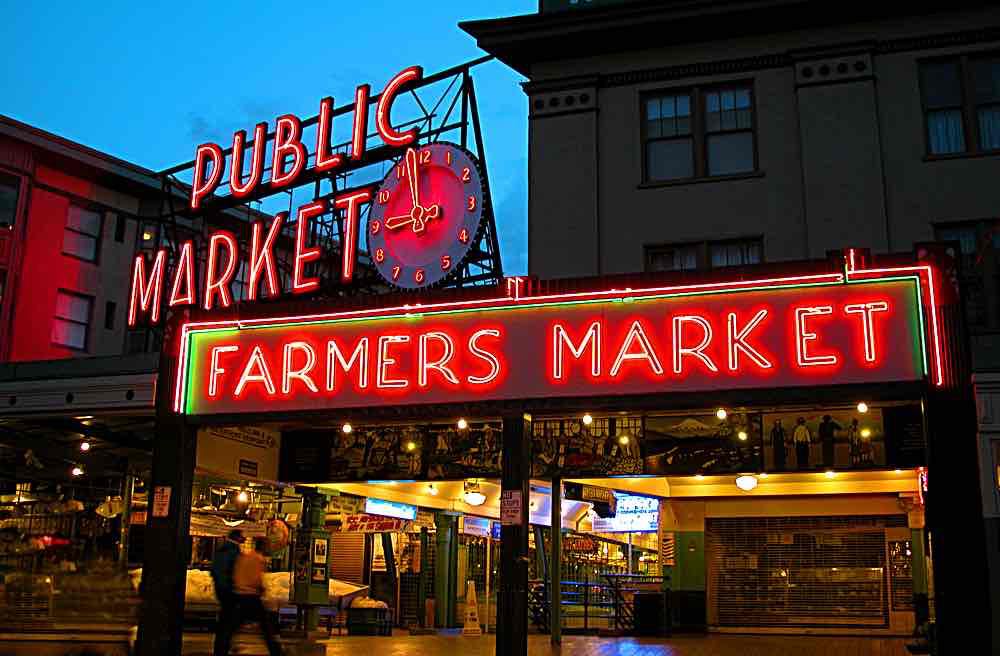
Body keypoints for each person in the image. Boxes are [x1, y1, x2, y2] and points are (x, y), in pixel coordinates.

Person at [223, 537, 283, 656]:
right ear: (263, 547)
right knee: (265, 626)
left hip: (240, 595)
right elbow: (256, 579)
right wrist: (261, 588)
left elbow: (237, 574)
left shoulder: (244, 557)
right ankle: (275, 651)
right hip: (252, 596)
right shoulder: (259, 559)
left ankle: (224, 646)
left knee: (235, 624)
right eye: (267, 546)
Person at [211, 529, 244, 656]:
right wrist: (233, 587)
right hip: (229, 591)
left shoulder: (221, 550)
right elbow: (236, 571)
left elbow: (215, 570)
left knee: (226, 619)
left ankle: (221, 647)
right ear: (236, 538)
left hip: (221, 590)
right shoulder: (233, 551)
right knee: (229, 620)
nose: (244, 539)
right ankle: (223, 647)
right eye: (241, 537)